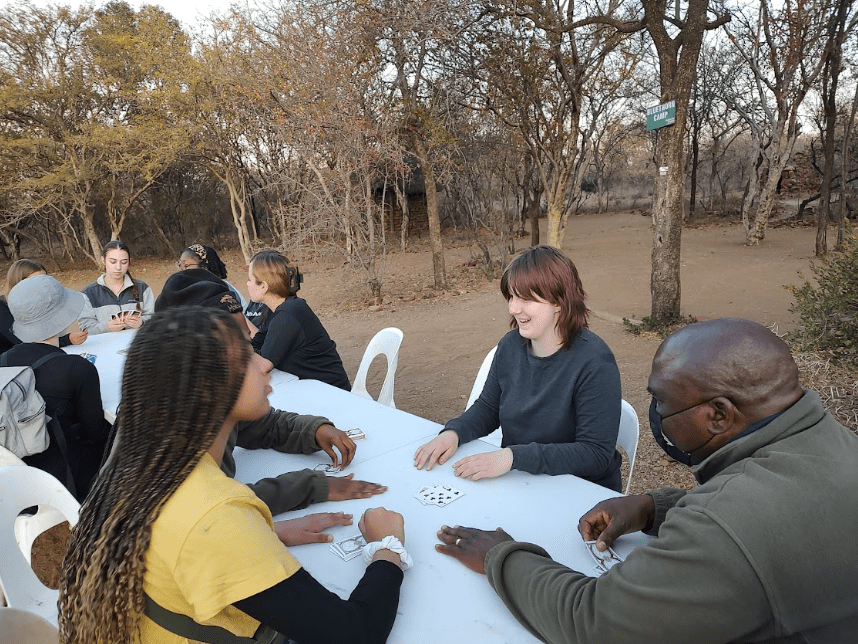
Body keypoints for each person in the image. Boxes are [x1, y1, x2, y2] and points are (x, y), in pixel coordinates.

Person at [434, 318, 858, 644]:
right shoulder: (836, 444)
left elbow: (594, 622)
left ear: (718, 415)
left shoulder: (723, 529)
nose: (656, 413)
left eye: (662, 401)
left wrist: (502, 556)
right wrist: (658, 506)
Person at [58, 308, 408, 644]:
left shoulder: (141, 462)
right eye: (245, 357)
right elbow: (356, 634)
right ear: (206, 388)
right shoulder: (214, 514)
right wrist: (387, 547)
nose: (262, 365)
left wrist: (264, 534)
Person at [155, 269, 387, 539]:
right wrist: (309, 487)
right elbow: (217, 510)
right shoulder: (174, 434)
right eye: (239, 352)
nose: (260, 366)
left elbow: (264, 427)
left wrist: (313, 430)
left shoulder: (215, 402)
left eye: (248, 346)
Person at [414, 245, 623, 491]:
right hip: (521, 480)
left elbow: (595, 453)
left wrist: (512, 457)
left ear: (559, 301)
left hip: (580, 491)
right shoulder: (510, 346)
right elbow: (489, 408)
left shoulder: (596, 362)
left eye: (525, 298)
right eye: (511, 296)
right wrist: (454, 432)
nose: (513, 308)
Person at [3, 275, 110, 499]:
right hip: (64, 479)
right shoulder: (77, 368)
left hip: (16, 474)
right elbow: (95, 433)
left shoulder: (3, 360)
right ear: (59, 318)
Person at [248, 249, 350, 390]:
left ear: (264, 286)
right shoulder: (277, 310)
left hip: (330, 392)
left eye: (250, 280)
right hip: (311, 388)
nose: (247, 284)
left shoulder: (288, 314)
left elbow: (262, 366)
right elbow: (256, 344)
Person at [0, 259, 87, 352]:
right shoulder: (2, 309)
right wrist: (67, 340)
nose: (44, 285)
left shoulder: (38, 304)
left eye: (45, 280)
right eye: (36, 281)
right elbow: (26, 342)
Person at [79, 240, 155, 334]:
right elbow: (85, 329)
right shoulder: (88, 293)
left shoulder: (142, 288)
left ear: (129, 262)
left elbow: (155, 319)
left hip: (137, 345)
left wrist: (142, 322)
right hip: (104, 347)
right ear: (103, 260)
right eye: (113, 262)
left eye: (123, 262)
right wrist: (106, 327)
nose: (118, 267)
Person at [177, 243, 246, 307]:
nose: (181, 269)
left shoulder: (221, 290)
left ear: (204, 267)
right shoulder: (187, 289)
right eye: (180, 265)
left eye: (186, 265)